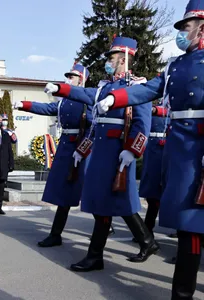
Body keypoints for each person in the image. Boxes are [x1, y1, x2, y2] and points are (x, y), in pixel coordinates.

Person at [95, 2, 204, 297]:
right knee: (188, 225)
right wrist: (116, 98)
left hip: (200, 149)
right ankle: (181, 294)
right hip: (180, 151)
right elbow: (148, 89)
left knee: (194, 224)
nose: (182, 33)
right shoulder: (175, 65)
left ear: (202, 27)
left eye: (187, 27)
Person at [44, 36, 159, 272]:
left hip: (117, 154)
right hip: (100, 155)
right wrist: (61, 89)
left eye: (112, 57)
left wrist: (132, 151)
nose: (108, 61)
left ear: (124, 58)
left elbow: (142, 124)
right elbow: (90, 111)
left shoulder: (136, 86)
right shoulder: (104, 87)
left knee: (106, 205)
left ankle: (96, 255)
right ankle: (145, 242)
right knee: (105, 203)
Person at [14, 63, 95, 246]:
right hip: (66, 147)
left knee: (91, 191)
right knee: (64, 192)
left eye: (72, 77)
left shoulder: (89, 97)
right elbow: (48, 108)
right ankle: (56, 234)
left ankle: (105, 225)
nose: (68, 79)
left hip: (82, 149)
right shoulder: (64, 101)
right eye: (68, 76)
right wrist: (24, 105)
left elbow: (94, 127)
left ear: (82, 79)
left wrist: (83, 150)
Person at [133, 102, 168, 242]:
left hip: (167, 148)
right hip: (151, 151)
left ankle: (181, 229)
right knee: (152, 194)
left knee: (174, 193)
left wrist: (155, 110)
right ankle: (147, 230)